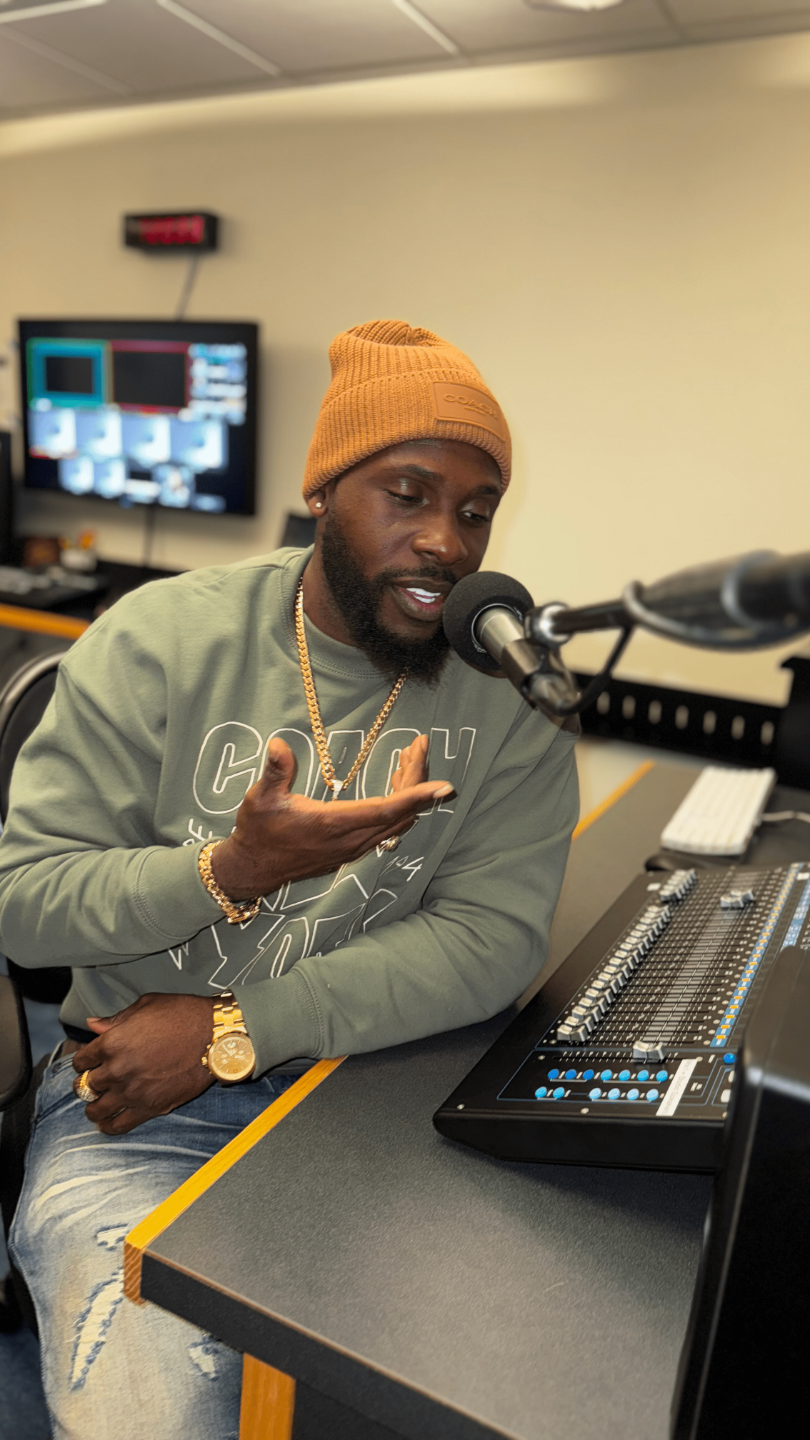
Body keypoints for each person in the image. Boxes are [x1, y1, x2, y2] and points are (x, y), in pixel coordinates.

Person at [0, 319, 578, 1439]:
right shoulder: (159, 639)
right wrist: (232, 870)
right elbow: (26, 904)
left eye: (475, 510)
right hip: (136, 1097)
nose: (445, 542)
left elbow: (492, 937)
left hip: (375, 1086)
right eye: (407, 494)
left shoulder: (509, 684)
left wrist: (235, 1026)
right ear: (323, 492)